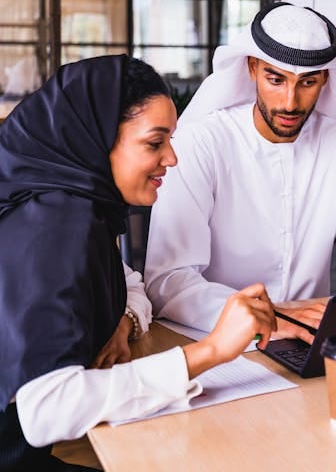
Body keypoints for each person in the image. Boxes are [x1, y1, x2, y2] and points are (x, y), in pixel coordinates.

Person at [0, 55, 277, 471]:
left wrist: (124, 319)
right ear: (94, 139)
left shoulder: (75, 205)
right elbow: (46, 412)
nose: (172, 158)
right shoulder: (58, 226)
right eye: (154, 143)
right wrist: (211, 351)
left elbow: (128, 279)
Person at [144, 2, 336, 336]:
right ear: (252, 68)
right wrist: (267, 316)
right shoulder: (201, 144)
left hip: (308, 334)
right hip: (213, 337)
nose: (290, 102)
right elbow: (168, 280)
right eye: (276, 80)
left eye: (307, 83)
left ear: (324, 81)